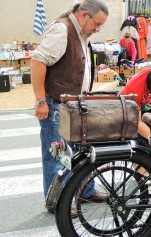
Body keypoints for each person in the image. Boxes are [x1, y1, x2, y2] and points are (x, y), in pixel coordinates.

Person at [30, 0, 109, 205]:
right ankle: (56, 201)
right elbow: (38, 62)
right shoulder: (62, 30)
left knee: (82, 151)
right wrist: (40, 100)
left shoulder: (81, 32)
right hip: (57, 103)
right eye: (97, 23)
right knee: (57, 154)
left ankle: (86, 190)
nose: (98, 29)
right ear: (84, 15)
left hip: (74, 104)